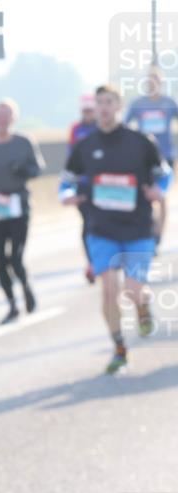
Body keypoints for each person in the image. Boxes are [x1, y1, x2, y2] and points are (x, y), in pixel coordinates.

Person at [62, 84, 165, 374]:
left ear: (119, 106)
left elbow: (164, 174)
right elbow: (66, 180)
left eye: (109, 102)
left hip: (137, 228)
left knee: (133, 290)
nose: (103, 108)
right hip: (101, 227)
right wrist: (66, 195)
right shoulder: (85, 146)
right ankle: (119, 347)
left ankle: (143, 307)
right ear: (94, 108)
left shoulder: (141, 142)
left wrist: (159, 189)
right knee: (109, 290)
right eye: (99, 103)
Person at [0, 98, 45, 324]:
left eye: (7, 115)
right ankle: (12, 303)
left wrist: (23, 170)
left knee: (16, 256)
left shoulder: (24, 142)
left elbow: (38, 169)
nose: (2, 119)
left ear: (13, 118)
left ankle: (25, 286)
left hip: (18, 203)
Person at [124, 67, 177, 243]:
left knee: (161, 196)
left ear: (161, 83)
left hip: (166, 156)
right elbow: (124, 125)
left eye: (156, 80)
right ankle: (149, 230)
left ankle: (158, 235)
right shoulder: (138, 104)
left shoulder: (169, 103)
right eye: (149, 80)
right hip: (143, 157)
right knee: (146, 196)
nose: (152, 84)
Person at [69, 94, 99, 284]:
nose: (88, 113)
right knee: (87, 227)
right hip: (83, 186)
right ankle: (92, 263)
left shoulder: (101, 127)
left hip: (103, 186)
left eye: (91, 110)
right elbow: (70, 157)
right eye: (85, 110)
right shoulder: (76, 129)